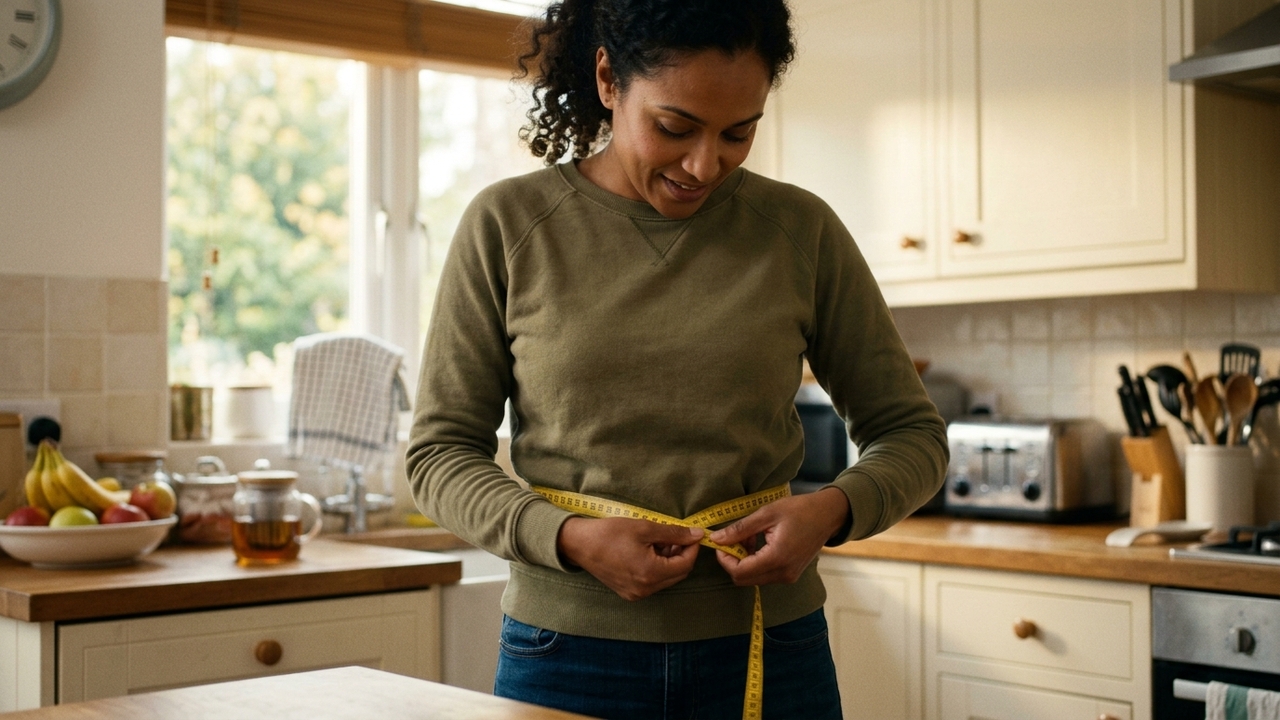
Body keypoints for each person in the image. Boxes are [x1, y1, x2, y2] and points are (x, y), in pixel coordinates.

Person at [405, 0, 949, 717]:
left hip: (771, 646)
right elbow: (438, 455)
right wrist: (567, 537)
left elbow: (913, 435)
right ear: (607, 78)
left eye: (738, 133)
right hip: (566, 653)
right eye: (674, 127)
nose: (704, 164)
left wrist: (830, 511)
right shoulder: (508, 226)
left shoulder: (799, 230)